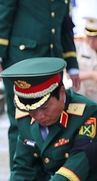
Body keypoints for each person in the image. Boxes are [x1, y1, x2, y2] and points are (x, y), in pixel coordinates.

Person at [0, 0, 80, 168]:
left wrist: (72, 64)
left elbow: (64, 24)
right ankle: (21, 174)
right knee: (22, 122)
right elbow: (3, 13)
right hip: (22, 61)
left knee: (53, 117)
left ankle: (50, 173)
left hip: (52, 60)